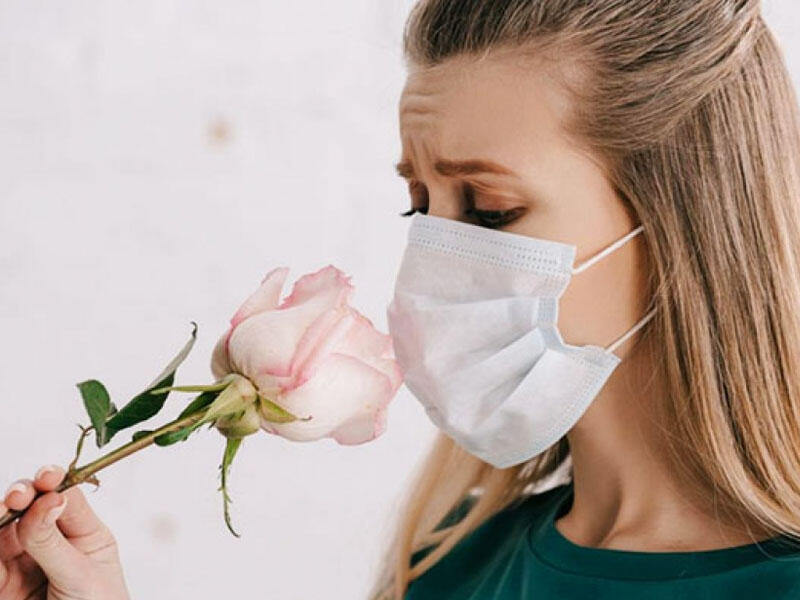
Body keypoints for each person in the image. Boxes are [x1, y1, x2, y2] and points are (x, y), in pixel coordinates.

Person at [4, 1, 800, 599]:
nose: (435, 264)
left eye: (490, 210)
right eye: (419, 208)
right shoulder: (449, 563)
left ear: (684, 221)